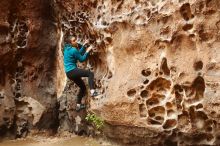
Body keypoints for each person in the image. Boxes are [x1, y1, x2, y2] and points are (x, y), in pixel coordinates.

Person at [63, 36, 99, 111]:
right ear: (70, 43)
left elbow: (77, 54)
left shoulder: (66, 49)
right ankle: (92, 92)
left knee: (82, 87)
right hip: (73, 71)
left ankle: (78, 105)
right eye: (73, 41)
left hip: (68, 73)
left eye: (75, 40)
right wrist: (87, 51)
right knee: (90, 74)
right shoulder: (73, 50)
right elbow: (82, 59)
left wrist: (84, 45)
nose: (76, 41)